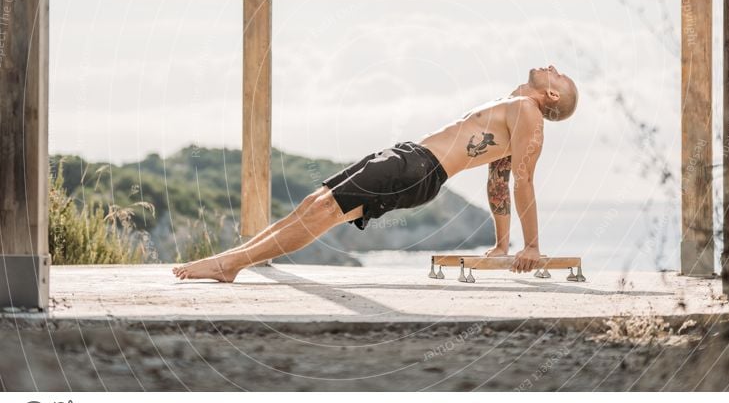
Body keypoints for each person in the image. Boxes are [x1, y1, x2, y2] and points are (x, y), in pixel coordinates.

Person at [172, 65, 579, 282]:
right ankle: (230, 260)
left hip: (419, 170)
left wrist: (532, 246)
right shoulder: (515, 108)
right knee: (315, 203)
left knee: (323, 211)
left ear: (553, 95)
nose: (551, 66)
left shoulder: (528, 113)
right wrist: (502, 245)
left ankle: (231, 265)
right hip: (411, 158)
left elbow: (521, 179)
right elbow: (497, 182)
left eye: (558, 75)